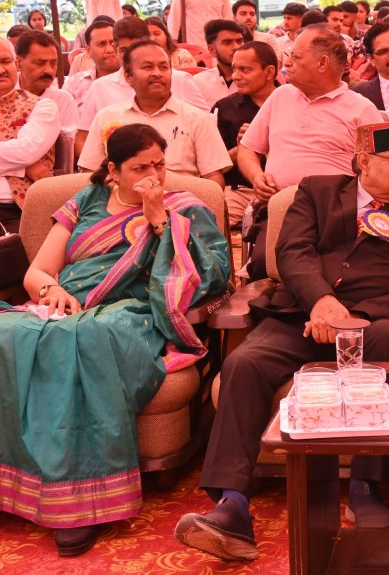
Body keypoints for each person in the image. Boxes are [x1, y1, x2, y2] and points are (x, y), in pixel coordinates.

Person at [176, 123, 389, 559]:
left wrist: (350, 319)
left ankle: (365, 487)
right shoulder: (317, 191)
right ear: (364, 161)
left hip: (371, 325)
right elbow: (292, 252)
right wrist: (321, 301)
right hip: (300, 315)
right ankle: (232, 504)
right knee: (243, 363)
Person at [0, 123, 229, 556]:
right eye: (140, 168)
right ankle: (17, 482)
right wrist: (52, 291)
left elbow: (212, 275)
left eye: (159, 164)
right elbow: (38, 271)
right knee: (10, 331)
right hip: (66, 303)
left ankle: (82, 503)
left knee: (86, 336)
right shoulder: (85, 200)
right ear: (113, 170)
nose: (154, 176)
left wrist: (159, 220)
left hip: (135, 311)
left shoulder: (184, 207)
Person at [238, 26, 381, 276]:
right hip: (279, 208)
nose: (287, 63)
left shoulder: (362, 110)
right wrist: (256, 176)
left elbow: (379, 171)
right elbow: (248, 149)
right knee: (264, 264)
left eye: (295, 57)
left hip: (334, 216)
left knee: (324, 269)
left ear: (322, 63)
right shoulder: (281, 96)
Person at [78, 41, 231, 186]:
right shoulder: (107, 117)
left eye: (164, 67)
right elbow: (90, 173)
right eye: (148, 67)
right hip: (119, 201)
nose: (157, 73)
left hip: (180, 201)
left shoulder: (197, 119)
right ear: (128, 77)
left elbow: (214, 178)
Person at [76, 17, 209, 156]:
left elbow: (206, 127)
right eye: (124, 50)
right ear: (115, 49)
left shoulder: (180, 80)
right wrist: (106, 168)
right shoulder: (100, 87)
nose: (131, 56)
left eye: (137, 49)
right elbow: (82, 140)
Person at [212, 41, 279, 227]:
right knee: (216, 224)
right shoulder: (224, 108)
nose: (235, 76)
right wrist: (242, 146)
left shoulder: (292, 101)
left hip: (284, 189)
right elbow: (212, 170)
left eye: (245, 70)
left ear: (269, 72)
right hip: (239, 192)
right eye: (234, 69)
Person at [0, 38, 59, 230]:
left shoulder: (42, 107)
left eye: (5, 61)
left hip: (15, 211)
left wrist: (23, 162)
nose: (1, 70)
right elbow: (24, 158)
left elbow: (27, 152)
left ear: (16, 63)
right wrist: (24, 168)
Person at [15, 29, 79, 132]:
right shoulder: (4, 94)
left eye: (53, 63)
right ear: (18, 64)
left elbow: (70, 140)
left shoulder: (63, 101)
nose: (49, 70)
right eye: (40, 63)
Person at [64, 19, 119, 106]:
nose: (110, 49)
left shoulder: (134, 81)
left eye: (113, 43)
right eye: (101, 44)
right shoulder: (74, 84)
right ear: (89, 50)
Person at [193, 20, 247, 106]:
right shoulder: (198, 83)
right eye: (227, 42)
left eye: (239, 41)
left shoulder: (257, 79)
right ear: (212, 50)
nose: (236, 47)